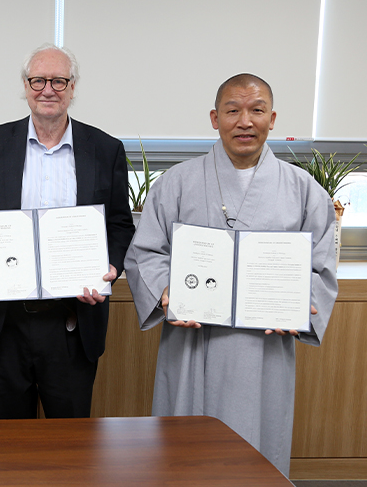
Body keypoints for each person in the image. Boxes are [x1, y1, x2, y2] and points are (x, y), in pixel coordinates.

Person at [124, 73, 338, 476]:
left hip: (262, 351)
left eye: (256, 110)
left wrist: (298, 305)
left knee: (254, 454)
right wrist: (168, 292)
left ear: (272, 119)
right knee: (184, 454)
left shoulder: (303, 189)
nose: (245, 121)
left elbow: (321, 266)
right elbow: (146, 252)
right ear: (214, 117)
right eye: (233, 110)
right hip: (191, 340)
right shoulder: (177, 183)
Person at [0, 44, 136, 419]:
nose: (47, 89)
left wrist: (110, 270)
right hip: (5, 322)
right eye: (38, 80)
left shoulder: (105, 148)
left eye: (58, 81)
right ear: (25, 85)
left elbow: (119, 223)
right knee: (7, 444)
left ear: (72, 88)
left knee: (70, 448)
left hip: (73, 321)